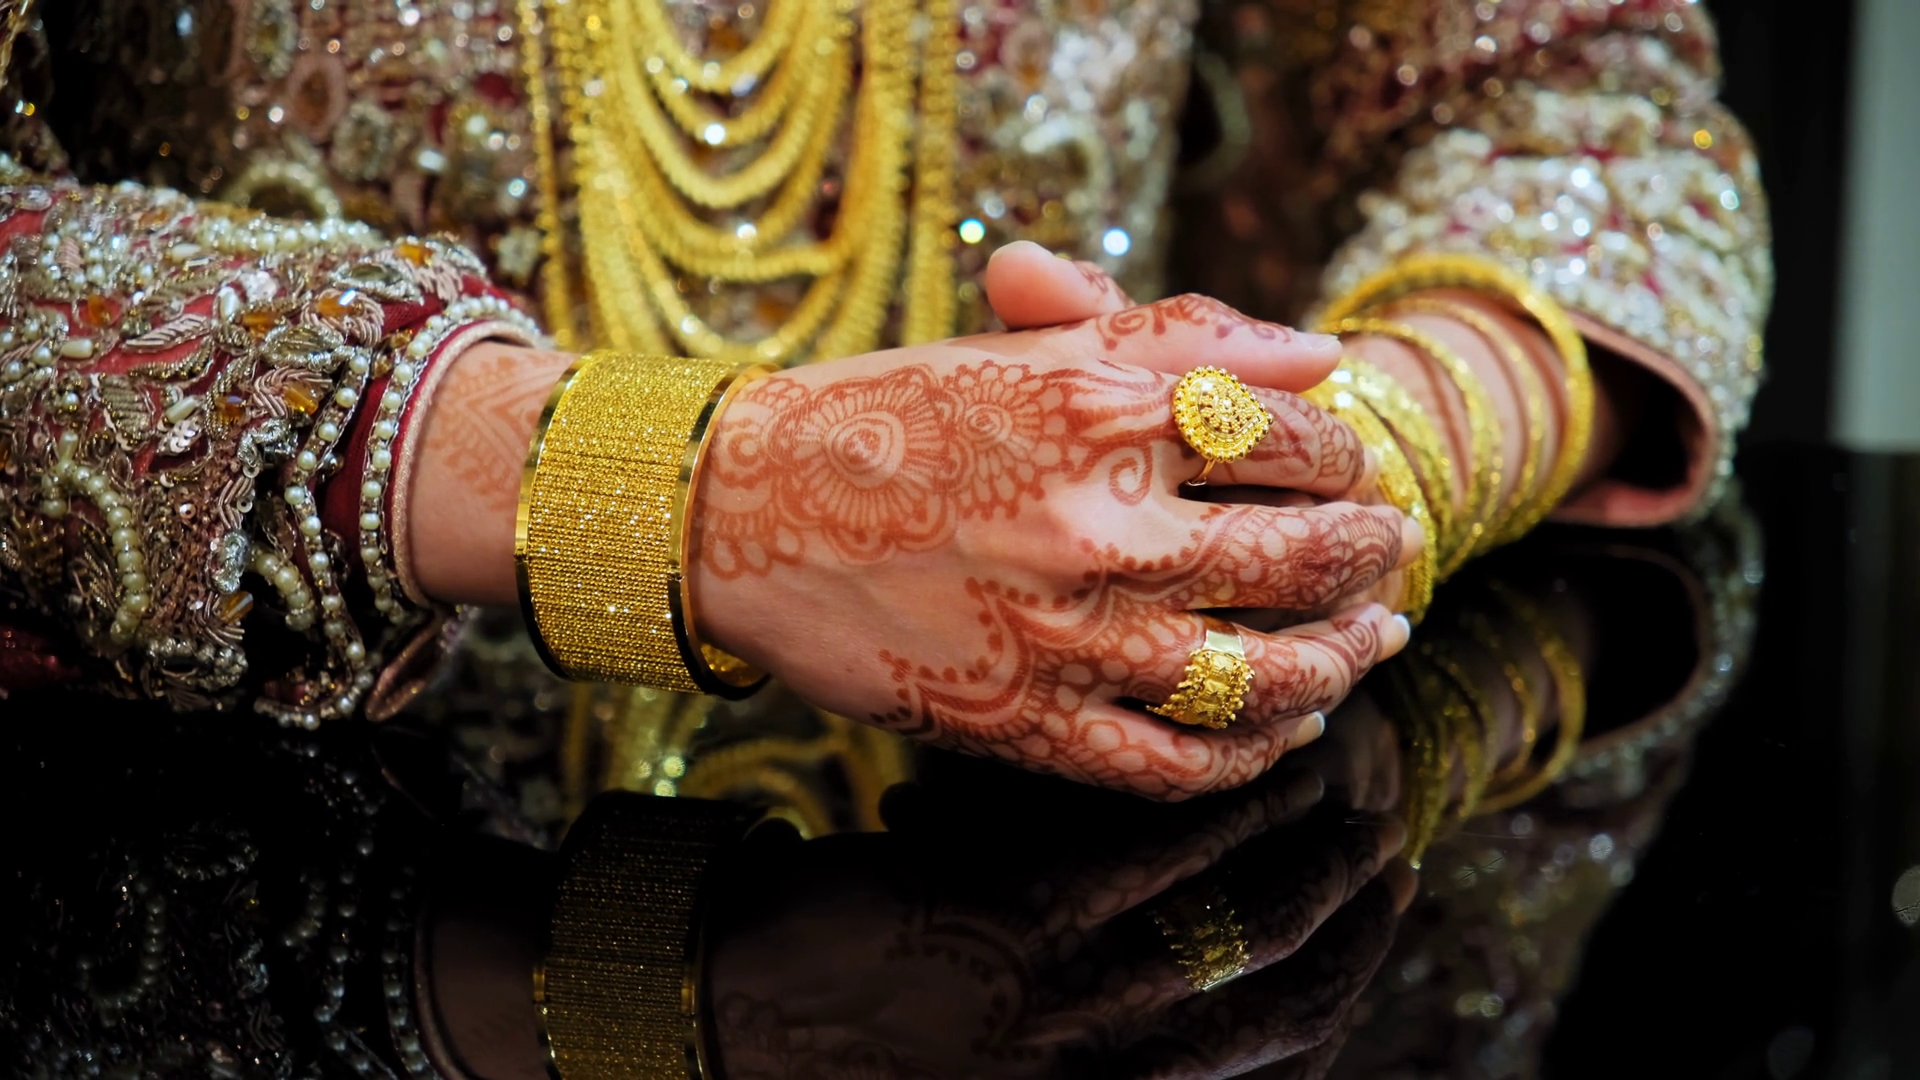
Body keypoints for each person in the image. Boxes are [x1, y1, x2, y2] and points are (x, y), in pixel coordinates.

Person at [0, 0, 1769, 1074]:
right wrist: (698, 488)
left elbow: (1577, 110)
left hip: (1068, 847)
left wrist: (1347, 450)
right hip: (221, 835)